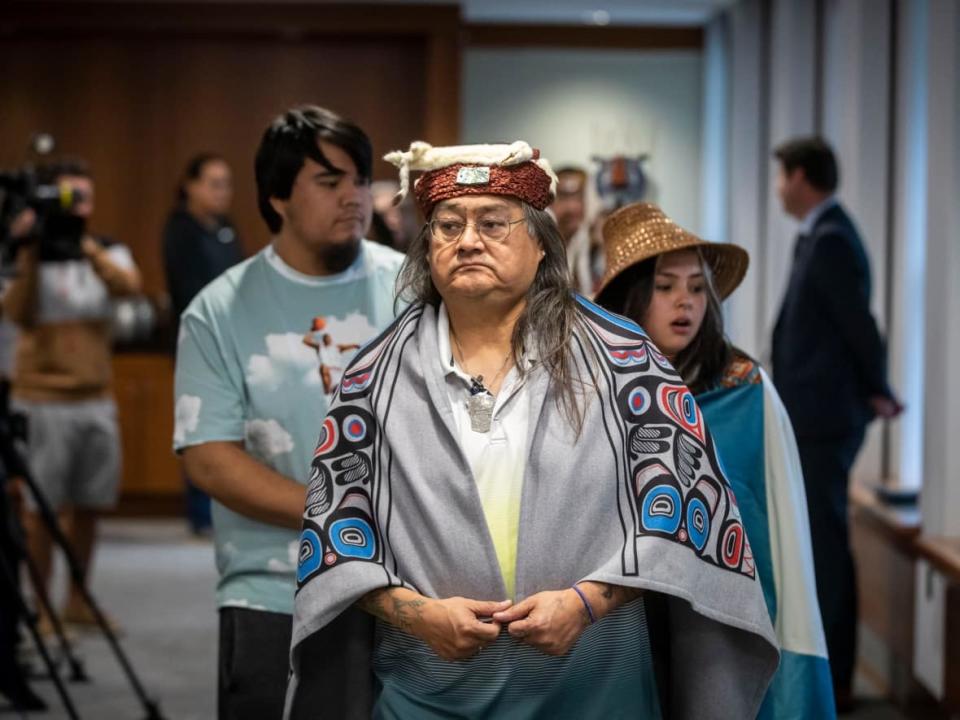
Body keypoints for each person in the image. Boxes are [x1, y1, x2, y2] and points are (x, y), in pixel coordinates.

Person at [286, 141, 778, 719]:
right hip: (426, 689)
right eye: (447, 226)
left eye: (493, 223)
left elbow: (685, 512)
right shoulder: (370, 379)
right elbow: (335, 530)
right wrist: (417, 615)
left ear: (542, 245)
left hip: (596, 689)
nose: (468, 241)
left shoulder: (626, 363)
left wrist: (589, 603)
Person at [173, 105, 404, 720]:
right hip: (272, 583)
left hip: (407, 578)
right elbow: (211, 460)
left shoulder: (410, 286)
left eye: (359, 179)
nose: (354, 196)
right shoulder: (218, 310)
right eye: (330, 182)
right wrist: (337, 515)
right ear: (277, 197)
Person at [595, 201, 835, 719]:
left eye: (697, 287)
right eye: (665, 287)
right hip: (619, 613)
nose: (685, 302)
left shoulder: (746, 390)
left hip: (721, 619)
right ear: (631, 298)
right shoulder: (594, 389)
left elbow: (776, 528)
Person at [771, 137, 902, 711]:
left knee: (825, 546)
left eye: (781, 176)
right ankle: (830, 667)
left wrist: (880, 389)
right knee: (820, 542)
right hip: (816, 415)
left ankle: (836, 676)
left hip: (825, 420)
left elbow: (858, 325)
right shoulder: (823, 234)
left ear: (802, 177)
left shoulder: (832, 240)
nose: (778, 188)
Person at [1, 157, 141, 632]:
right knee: (42, 511)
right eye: (66, 196)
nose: (76, 205)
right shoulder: (29, 254)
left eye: (83, 196)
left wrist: (85, 248)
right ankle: (41, 610)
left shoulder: (106, 250)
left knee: (89, 504)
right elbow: (17, 313)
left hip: (96, 397)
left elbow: (129, 287)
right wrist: (32, 251)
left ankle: (78, 601)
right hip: (42, 400)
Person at [163, 153, 244, 535]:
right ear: (190, 186)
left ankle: (224, 510)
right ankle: (200, 515)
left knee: (232, 427)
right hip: (197, 340)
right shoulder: (179, 229)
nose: (221, 192)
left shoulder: (226, 227)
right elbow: (188, 292)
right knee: (200, 425)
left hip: (233, 340)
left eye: (226, 183)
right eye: (213, 183)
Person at [549, 166, 592, 294]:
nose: (572, 207)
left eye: (578, 197)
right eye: (563, 197)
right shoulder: (541, 232)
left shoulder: (580, 233)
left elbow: (585, 285)